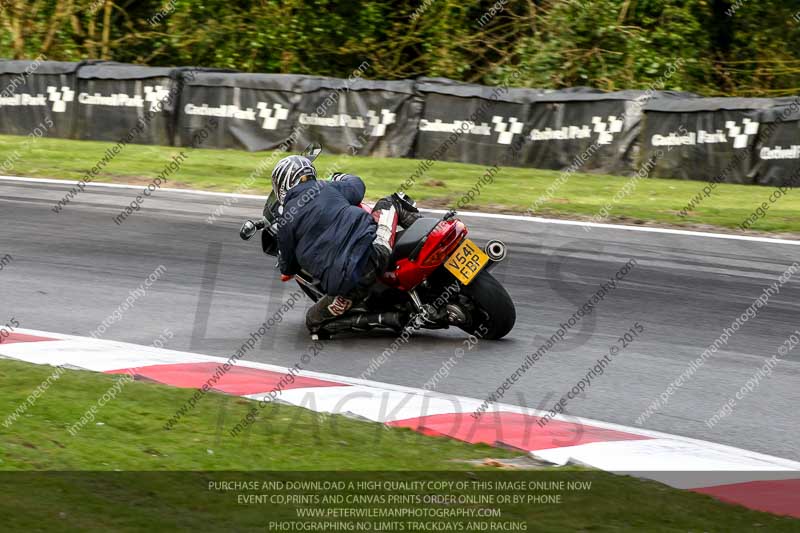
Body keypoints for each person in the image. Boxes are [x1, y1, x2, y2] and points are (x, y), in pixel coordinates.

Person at [271, 155, 420, 336]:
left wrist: (284, 260)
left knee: (313, 321)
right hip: (374, 257)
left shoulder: (285, 220)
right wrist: (340, 177)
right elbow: (358, 186)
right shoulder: (326, 187)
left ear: (282, 183)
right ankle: (428, 231)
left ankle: (386, 318)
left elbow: (288, 267)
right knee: (390, 201)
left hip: (346, 287)